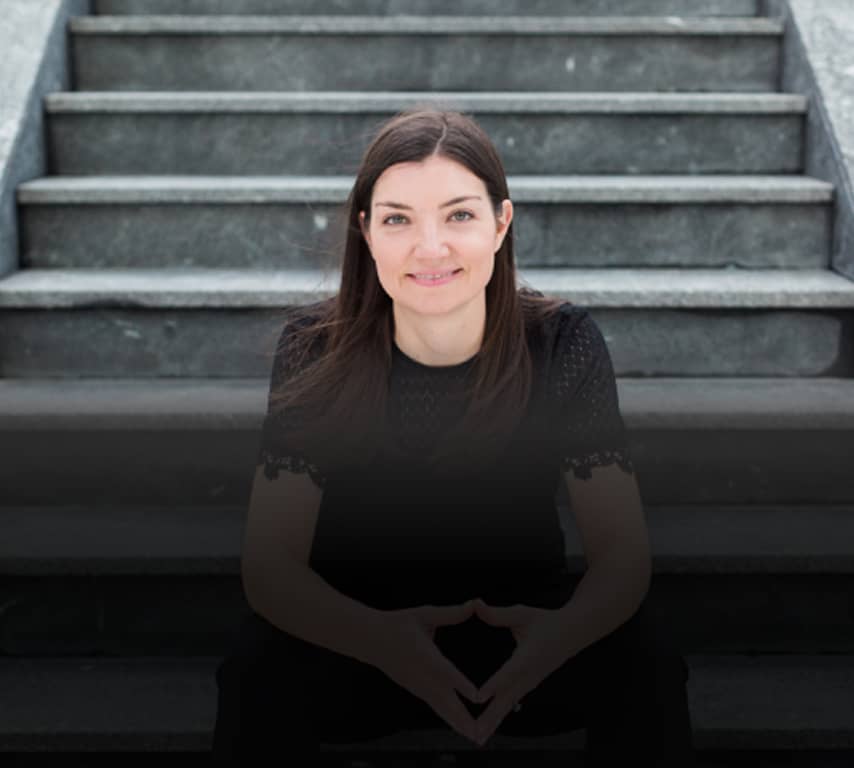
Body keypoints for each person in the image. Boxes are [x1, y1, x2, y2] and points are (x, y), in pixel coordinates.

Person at [212, 107, 695, 765]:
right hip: (356, 639)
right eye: (398, 219)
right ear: (366, 232)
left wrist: (552, 643)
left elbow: (622, 557)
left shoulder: (562, 341)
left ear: (502, 223)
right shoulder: (312, 348)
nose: (430, 247)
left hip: (522, 641)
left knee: (647, 653)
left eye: (460, 215)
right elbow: (270, 567)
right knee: (256, 664)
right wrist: (383, 641)